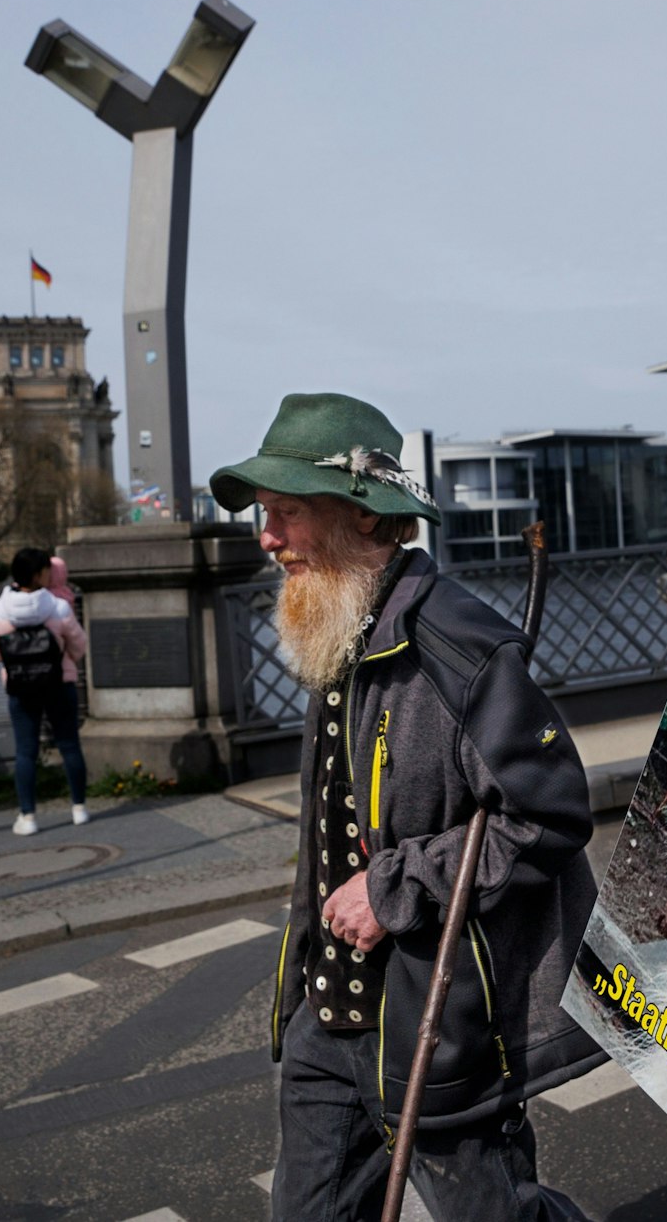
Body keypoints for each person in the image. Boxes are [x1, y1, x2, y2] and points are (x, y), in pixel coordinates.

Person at [209, 393, 602, 1222]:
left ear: (363, 517)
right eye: (265, 514)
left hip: (436, 1012)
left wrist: (394, 889)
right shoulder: (340, 624)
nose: (266, 537)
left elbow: (551, 815)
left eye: (285, 513)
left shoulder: (460, 649)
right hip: (330, 1006)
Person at [0, 547, 90, 835]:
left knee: (25, 751)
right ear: (38, 574)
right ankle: (79, 808)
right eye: (46, 570)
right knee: (69, 743)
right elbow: (79, 645)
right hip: (59, 683)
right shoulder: (57, 607)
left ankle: (28, 816)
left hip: (20, 686)